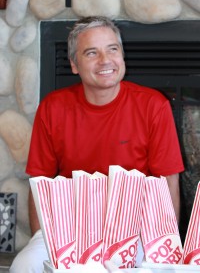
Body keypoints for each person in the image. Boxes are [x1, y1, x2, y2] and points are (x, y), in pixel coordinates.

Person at [10, 16, 184, 273]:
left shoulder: (153, 105)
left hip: (133, 230)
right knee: (23, 265)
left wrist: (163, 242)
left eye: (113, 49)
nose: (105, 60)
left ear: (122, 57)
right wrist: (42, 238)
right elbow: (40, 182)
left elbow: (168, 181)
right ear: (74, 65)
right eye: (92, 52)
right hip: (70, 228)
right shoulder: (53, 107)